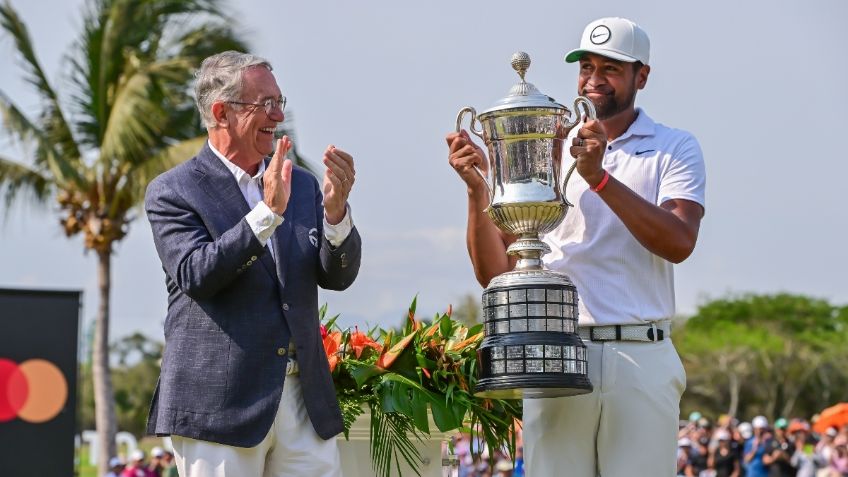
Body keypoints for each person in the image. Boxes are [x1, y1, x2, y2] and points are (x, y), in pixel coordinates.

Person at [446, 16, 705, 476]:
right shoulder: (550, 147)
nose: (594, 79)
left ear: (641, 76)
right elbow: (494, 273)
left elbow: (679, 240)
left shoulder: (674, 147)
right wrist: (477, 188)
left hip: (641, 352)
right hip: (557, 353)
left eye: (611, 68)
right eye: (586, 66)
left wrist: (600, 179)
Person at [144, 51, 362, 476]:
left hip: (304, 400)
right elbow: (196, 274)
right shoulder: (173, 191)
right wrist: (265, 216)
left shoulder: (301, 184)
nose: (278, 115)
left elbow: (337, 277)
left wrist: (336, 216)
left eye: (280, 102)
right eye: (265, 104)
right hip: (219, 406)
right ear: (222, 112)